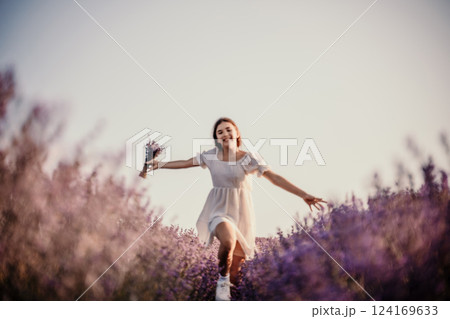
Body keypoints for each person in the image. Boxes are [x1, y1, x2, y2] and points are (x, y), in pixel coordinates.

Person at [147, 117, 326, 301]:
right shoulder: (210, 156)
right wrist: (157, 164)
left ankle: (229, 290)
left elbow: (274, 178)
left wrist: (303, 194)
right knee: (228, 240)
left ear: (237, 133)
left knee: (236, 271)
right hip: (218, 209)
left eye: (228, 130)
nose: (225, 134)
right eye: (220, 132)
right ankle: (222, 282)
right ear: (216, 138)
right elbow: (184, 163)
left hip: (243, 214)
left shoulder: (250, 158)